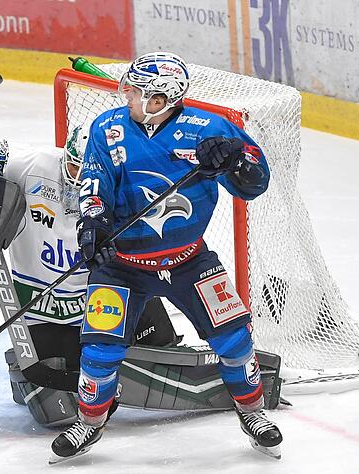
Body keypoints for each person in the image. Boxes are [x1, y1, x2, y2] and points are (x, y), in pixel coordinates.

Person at [50, 52, 282, 462]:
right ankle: (90, 421)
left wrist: (235, 159)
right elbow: (93, 181)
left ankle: (252, 412)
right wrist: (94, 220)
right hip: (122, 264)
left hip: (188, 260)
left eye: (138, 93)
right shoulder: (108, 127)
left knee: (235, 340)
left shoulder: (208, 128)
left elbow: (254, 182)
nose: (129, 98)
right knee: (100, 350)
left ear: (160, 99)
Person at [0, 133, 180, 428]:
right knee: (57, 402)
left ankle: (153, 341)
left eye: (88, 171)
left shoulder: (118, 187)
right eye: (74, 167)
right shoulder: (33, 166)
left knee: (158, 343)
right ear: (65, 156)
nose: (79, 179)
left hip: (98, 300)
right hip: (42, 306)